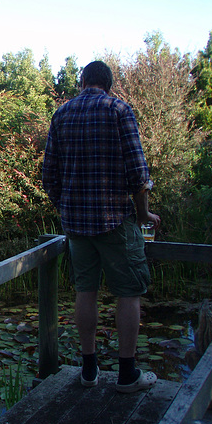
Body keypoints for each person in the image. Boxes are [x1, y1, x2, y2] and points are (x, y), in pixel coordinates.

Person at [42, 60, 160, 393]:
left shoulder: (61, 115)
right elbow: (138, 174)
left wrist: (67, 207)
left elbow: (49, 175)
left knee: (85, 291)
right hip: (115, 221)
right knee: (129, 292)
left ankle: (89, 371)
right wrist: (143, 214)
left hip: (77, 226)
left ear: (82, 82)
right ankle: (126, 375)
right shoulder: (119, 109)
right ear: (107, 84)